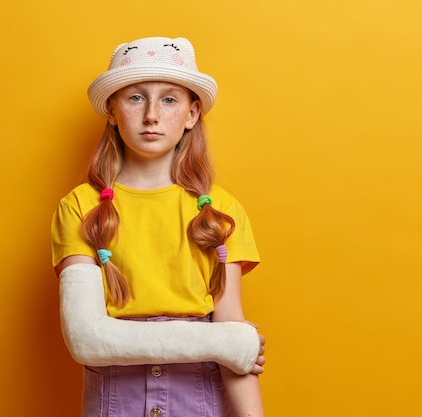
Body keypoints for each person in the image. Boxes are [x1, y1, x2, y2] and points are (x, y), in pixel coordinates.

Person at [52, 36, 266, 417]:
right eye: (135, 98)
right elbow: (86, 339)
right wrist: (226, 342)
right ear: (112, 111)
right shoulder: (80, 207)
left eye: (169, 99)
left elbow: (234, 340)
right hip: (116, 402)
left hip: (199, 399)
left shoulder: (222, 212)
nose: (152, 114)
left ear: (192, 114)